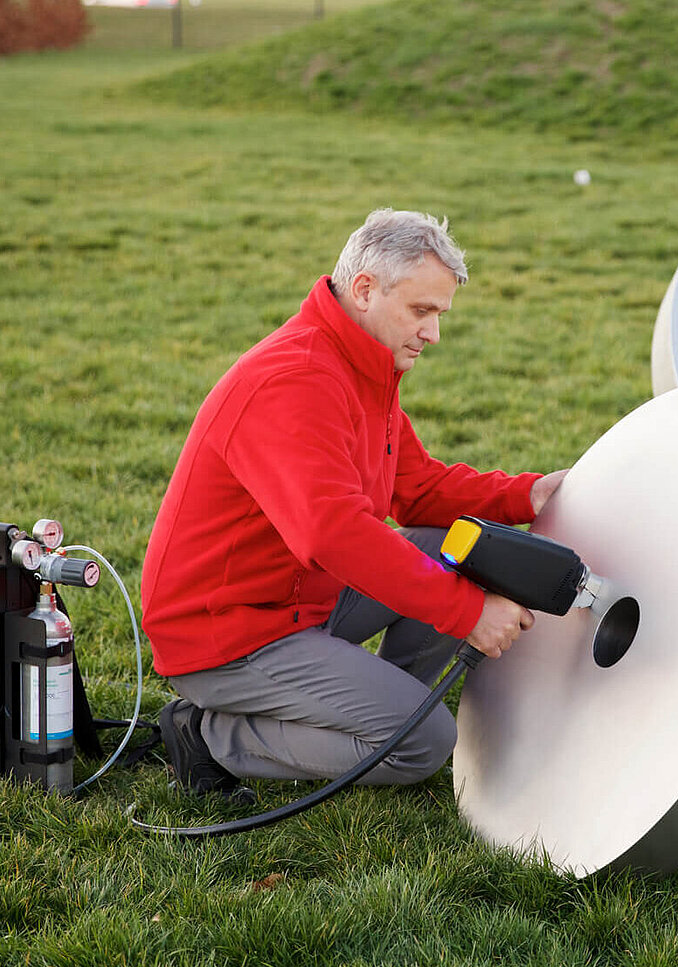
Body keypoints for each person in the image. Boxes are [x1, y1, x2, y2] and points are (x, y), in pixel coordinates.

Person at [140, 208, 567, 801]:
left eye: (439, 315)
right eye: (421, 311)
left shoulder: (365, 365)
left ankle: (375, 711)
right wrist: (466, 612)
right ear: (365, 290)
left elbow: (416, 488)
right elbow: (334, 533)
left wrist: (527, 493)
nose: (433, 334)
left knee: (455, 548)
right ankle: (210, 736)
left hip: (300, 599)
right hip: (230, 632)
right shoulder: (296, 378)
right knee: (421, 743)